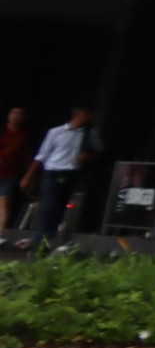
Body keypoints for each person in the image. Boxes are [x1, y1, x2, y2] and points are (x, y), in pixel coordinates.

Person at [25, 106, 94, 248]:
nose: (89, 119)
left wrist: (87, 157)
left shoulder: (88, 134)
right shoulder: (56, 132)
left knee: (60, 208)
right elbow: (42, 154)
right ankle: (39, 240)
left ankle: (49, 239)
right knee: (49, 206)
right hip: (53, 171)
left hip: (71, 173)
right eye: (86, 115)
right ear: (78, 115)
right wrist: (29, 175)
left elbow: (98, 150)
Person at [0, 107, 27, 234]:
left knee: (4, 203)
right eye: (13, 113)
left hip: (9, 173)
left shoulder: (23, 135)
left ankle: (0, 232)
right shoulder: (2, 130)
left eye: (19, 114)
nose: (15, 116)